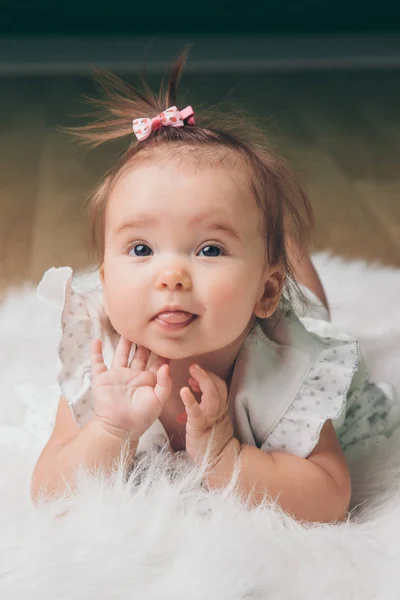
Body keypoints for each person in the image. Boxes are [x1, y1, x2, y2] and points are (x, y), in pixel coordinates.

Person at [30, 53, 400, 523]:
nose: (172, 276)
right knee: (263, 252)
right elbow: (46, 492)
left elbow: (329, 497)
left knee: (315, 312)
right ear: (104, 281)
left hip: (273, 322)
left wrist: (226, 456)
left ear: (266, 294)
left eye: (208, 250)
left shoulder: (292, 367)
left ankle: (279, 249)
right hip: (245, 291)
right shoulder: (100, 358)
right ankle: (259, 243)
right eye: (141, 249)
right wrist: (109, 428)